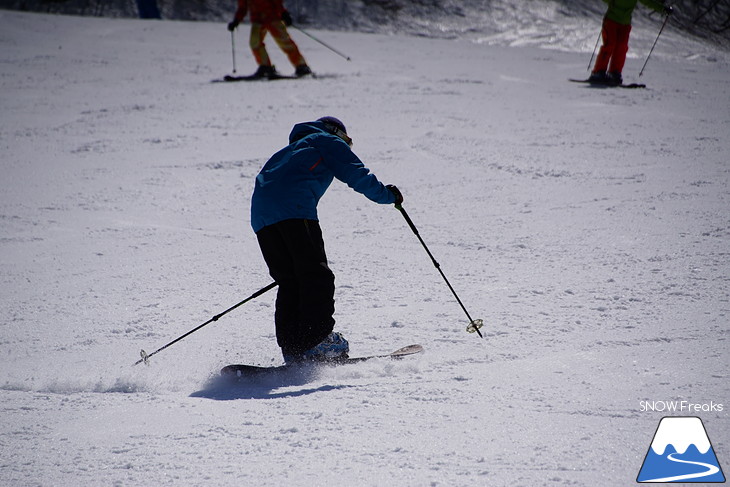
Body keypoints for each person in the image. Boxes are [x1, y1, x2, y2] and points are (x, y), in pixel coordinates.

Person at [251, 117, 403, 363]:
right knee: (316, 277)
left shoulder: (286, 152)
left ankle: (295, 349)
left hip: (262, 218)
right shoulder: (326, 140)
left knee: (290, 282)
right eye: (348, 141)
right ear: (337, 132)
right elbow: (356, 173)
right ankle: (317, 343)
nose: (347, 145)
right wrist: (388, 196)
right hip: (295, 210)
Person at [589, 0, 673, 85]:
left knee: (621, 48)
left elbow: (648, 1)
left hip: (625, 23)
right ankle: (598, 72)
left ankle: (615, 73)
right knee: (609, 45)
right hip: (611, 20)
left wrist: (663, 9)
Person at [227, 0, 312, 78]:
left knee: (285, 42)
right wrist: (236, 21)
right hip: (257, 20)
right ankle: (265, 66)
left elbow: (277, 2)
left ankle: (301, 66)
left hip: (273, 17)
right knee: (254, 43)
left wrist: (283, 13)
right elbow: (242, 7)